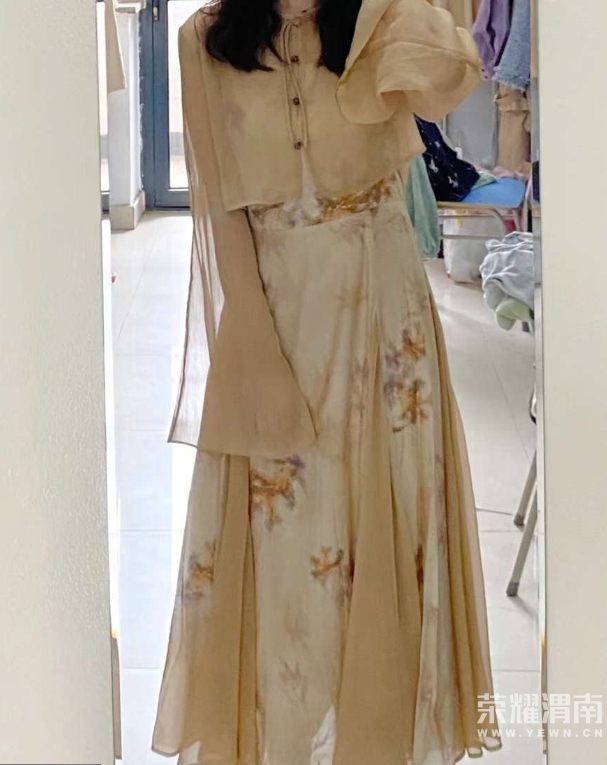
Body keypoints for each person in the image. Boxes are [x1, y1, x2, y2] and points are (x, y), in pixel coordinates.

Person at [152, 0, 501, 763]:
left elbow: (451, 76)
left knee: (391, 525)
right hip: (279, 319)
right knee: (289, 550)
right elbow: (219, 213)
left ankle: (379, 741)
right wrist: (252, 353)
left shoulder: (376, 18)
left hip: (386, 318)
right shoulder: (204, 40)